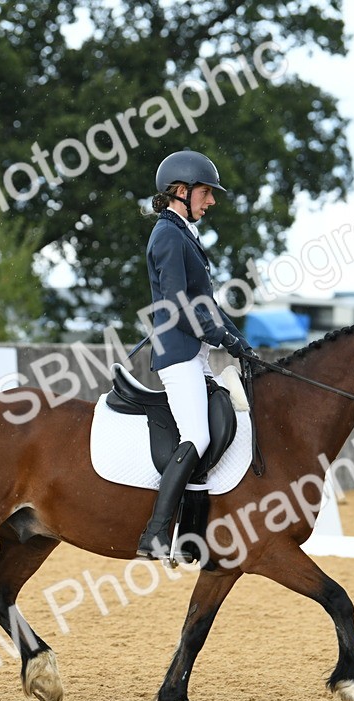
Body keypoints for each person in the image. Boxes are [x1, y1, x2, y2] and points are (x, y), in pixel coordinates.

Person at [135, 150, 253, 561]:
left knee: (216, 433)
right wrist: (220, 336)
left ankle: (191, 539)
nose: (212, 201)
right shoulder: (167, 235)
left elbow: (208, 303)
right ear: (180, 192)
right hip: (178, 355)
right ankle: (154, 535)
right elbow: (175, 304)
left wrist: (239, 341)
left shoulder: (184, 233)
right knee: (198, 436)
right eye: (206, 192)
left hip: (195, 354)